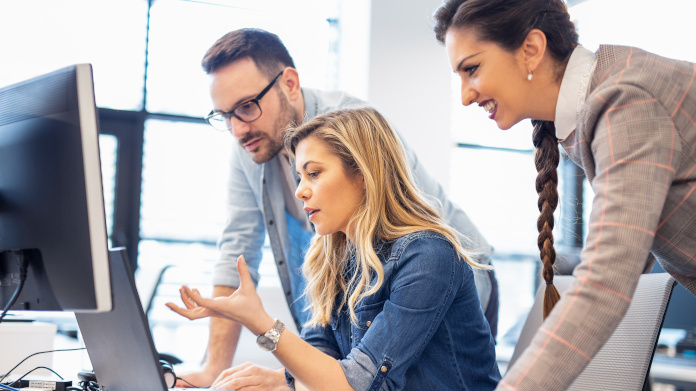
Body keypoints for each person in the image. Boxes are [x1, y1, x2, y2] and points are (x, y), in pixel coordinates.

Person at [178, 28, 499, 388]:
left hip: (445, 274)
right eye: (224, 116)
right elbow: (329, 362)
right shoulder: (334, 253)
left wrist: (263, 326)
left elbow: (409, 237)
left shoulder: (423, 251)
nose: (237, 129)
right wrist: (227, 375)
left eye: (247, 107)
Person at [433, 0, 696, 389]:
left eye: (472, 69)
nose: (465, 96)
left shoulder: (625, 100)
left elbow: (606, 282)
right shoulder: (595, 109)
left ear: (531, 49)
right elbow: (622, 258)